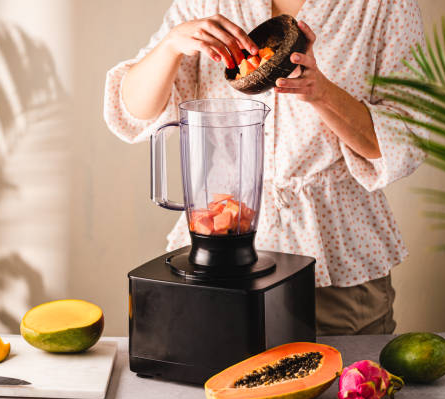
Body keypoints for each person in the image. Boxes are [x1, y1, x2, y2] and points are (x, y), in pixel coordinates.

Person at [104, 0, 427, 335]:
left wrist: (322, 94)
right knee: (216, 380)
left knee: (339, 381)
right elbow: (132, 113)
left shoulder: (383, 6)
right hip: (219, 255)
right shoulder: (207, 3)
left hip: (338, 264)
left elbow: (403, 139)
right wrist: (170, 46)